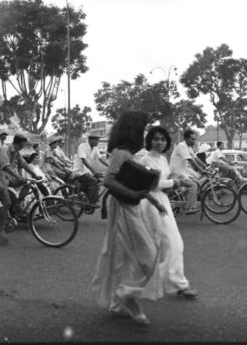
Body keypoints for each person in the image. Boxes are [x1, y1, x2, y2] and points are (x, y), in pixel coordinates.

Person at [91, 110, 160, 326]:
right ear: (134, 132)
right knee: (147, 256)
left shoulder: (126, 153)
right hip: (123, 209)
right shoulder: (121, 153)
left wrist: (151, 197)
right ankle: (127, 296)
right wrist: (134, 194)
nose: (144, 134)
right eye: (142, 130)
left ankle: (118, 302)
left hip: (128, 207)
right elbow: (109, 181)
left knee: (124, 257)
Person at [138, 126, 198, 301]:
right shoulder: (144, 160)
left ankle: (175, 283)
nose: (159, 142)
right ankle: (175, 284)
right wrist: (175, 182)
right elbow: (152, 184)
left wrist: (180, 178)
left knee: (169, 244)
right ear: (149, 140)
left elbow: (167, 175)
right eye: (156, 139)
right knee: (170, 244)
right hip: (151, 204)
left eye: (163, 139)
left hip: (163, 202)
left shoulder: (163, 159)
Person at [0, 133, 40, 243]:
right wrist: (18, 177)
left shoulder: (16, 152)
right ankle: (0, 229)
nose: (23, 147)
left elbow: (24, 164)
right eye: (23, 145)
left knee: (28, 183)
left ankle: (16, 205)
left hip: (8, 178)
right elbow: (5, 166)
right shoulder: (4, 149)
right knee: (6, 202)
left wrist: (34, 175)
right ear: (18, 143)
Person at [169, 129, 208, 215]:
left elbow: (195, 158)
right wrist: (201, 170)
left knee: (196, 182)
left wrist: (205, 166)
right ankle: (189, 208)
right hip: (176, 172)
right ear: (186, 139)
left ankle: (186, 200)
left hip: (182, 172)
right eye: (192, 139)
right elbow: (190, 160)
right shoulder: (182, 146)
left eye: (195, 139)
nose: (194, 141)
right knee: (193, 185)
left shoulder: (188, 147)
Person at [71, 130, 109, 209]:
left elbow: (101, 158)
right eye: (95, 140)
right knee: (93, 182)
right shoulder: (82, 146)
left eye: (98, 140)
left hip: (87, 172)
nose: (97, 142)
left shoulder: (95, 148)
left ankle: (86, 197)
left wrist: (110, 166)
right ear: (89, 140)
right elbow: (84, 160)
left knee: (98, 182)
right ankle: (92, 202)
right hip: (79, 171)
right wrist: (93, 171)